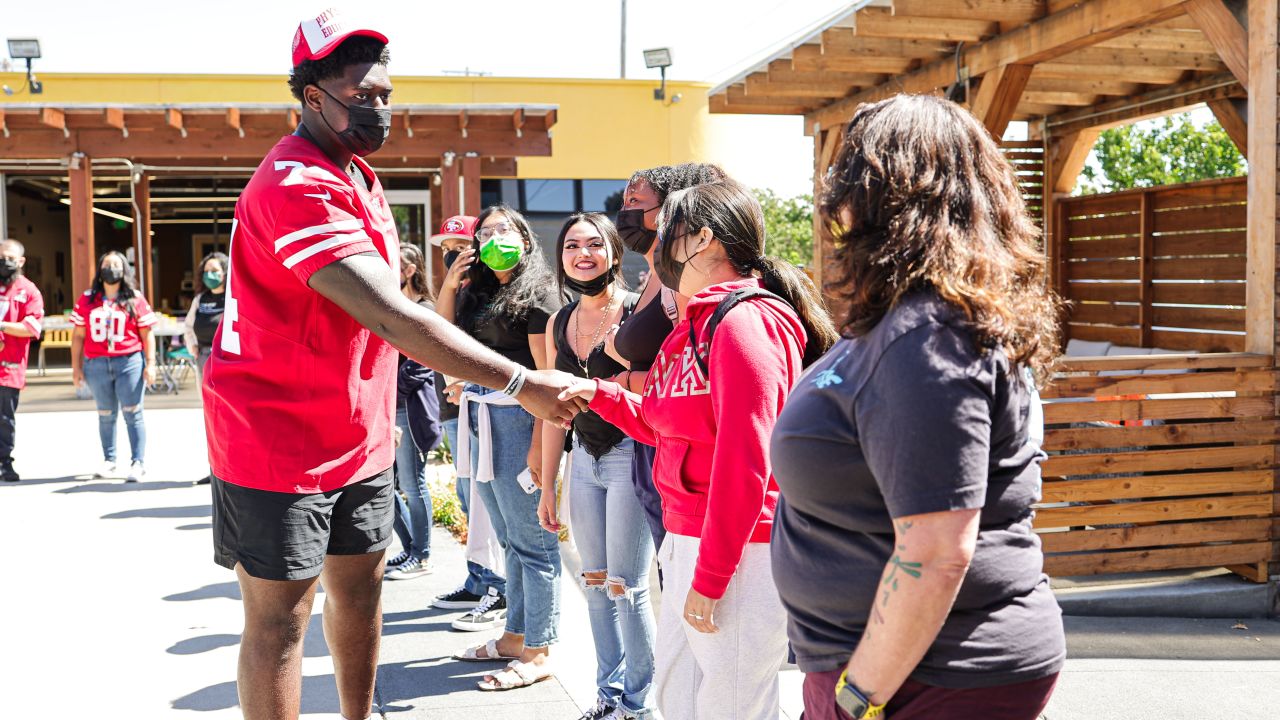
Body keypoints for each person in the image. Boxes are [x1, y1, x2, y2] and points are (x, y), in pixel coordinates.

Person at [201, 15, 577, 720]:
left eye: (385, 92)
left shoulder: (360, 176)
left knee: (363, 589)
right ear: (313, 98)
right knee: (283, 619)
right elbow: (394, 317)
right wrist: (523, 383)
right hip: (275, 438)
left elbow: (392, 319)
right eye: (361, 94)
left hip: (357, 431)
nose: (379, 108)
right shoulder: (294, 182)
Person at [768, 94, 1066, 720]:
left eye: (847, 170)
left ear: (880, 192)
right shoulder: (915, 321)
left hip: (922, 677)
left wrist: (857, 698)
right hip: (901, 672)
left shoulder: (926, 335)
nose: (833, 198)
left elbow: (935, 549)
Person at [560, 179, 838, 720]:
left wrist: (711, 576)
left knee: (731, 704)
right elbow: (667, 424)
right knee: (680, 695)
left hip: (741, 550)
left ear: (702, 238)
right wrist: (598, 394)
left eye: (666, 230)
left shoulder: (745, 323)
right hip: (690, 537)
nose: (654, 243)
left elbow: (747, 461)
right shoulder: (693, 325)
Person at [438, 204, 564, 690]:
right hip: (480, 417)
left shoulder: (539, 295)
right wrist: (452, 283)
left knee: (533, 542)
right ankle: (516, 634)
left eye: (504, 229)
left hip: (517, 421)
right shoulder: (479, 292)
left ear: (526, 239)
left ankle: (539, 649)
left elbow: (545, 377)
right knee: (509, 536)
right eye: (485, 232)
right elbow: (445, 339)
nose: (495, 238)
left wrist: (539, 446)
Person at [538, 214, 653, 720]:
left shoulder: (637, 312)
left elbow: (649, 396)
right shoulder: (558, 321)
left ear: (613, 252)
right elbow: (549, 411)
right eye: (571, 246)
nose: (582, 254)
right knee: (593, 581)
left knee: (627, 586)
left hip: (630, 452)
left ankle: (638, 704)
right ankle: (608, 697)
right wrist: (548, 485)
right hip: (583, 459)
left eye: (594, 244)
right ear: (561, 257)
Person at [611, 163, 726, 554]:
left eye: (634, 202)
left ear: (668, 210)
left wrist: (623, 384)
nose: (623, 211)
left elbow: (695, 375)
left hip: (683, 451)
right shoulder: (653, 276)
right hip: (653, 441)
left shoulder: (686, 283)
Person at [427, 215, 508, 611]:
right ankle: (479, 580)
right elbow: (441, 333)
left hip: (489, 408)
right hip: (459, 408)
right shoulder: (459, 290)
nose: (453, 256)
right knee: (468, 501)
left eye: (461, 247)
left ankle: (496, 585)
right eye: (446, 251)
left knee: (486, 504)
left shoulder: (491, 291)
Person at [71, 250, 158, 483]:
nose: (111, 268)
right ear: (100, 270)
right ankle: (109, 460)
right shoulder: (87, 299)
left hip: (128, 361)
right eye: (107, 264)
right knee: (105, 414)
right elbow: (78, 336)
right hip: (96, 363)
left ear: (124, 270)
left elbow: (147, 334)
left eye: (116, 264)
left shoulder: (134, 298)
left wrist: (150, 363)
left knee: (133, 412)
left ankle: (137, 462)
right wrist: (76, 368)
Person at [384, 243, 439, 581]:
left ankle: (422, 555)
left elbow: (421, 365)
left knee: (412, 483)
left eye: (396, 265)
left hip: (409, 410)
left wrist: (390, 391)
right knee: (385, 486)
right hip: (388, 410)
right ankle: (410, 548)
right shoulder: (392, 307)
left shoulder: (425, 309)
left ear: (410, 270)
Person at [0, 239, 44, 483]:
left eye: (10, 257)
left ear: (21, 261)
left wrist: (3, 327)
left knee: (5, 418)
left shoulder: (28, 290)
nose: (4, 262)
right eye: (1, 257)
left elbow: (32, 327)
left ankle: (5, 462)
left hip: (9, 366)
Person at [184, 251, 227, 486]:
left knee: (227, 415)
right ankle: (214, 468)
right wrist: (192, 346)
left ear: (225, 272)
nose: (211, 275)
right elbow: (188, 325)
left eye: (215, 271)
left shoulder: (233, 296)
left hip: (227, 361)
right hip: (204, 358)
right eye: (207, 271)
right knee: (211, 416)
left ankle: (228, 471)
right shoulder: (200, 299)